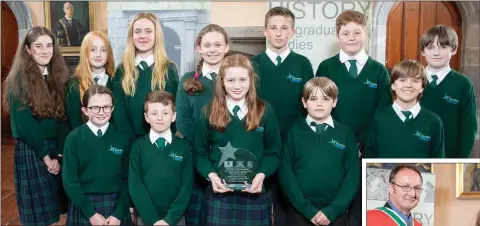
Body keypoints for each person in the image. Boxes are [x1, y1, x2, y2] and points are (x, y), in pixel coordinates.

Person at [315, 10, 392, 226]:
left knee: (360, 205)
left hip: (367, 148)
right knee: (334, 202)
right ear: (338, 36)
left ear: (366, 34)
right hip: (333, 145)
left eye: (357, 32)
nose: (351, 37)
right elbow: (319, 107)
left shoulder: (378, 71)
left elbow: (383, 113)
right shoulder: (326, 67)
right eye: (346, 33)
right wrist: (342, 140)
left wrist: (363, 142)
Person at [194, 54, 282, 226]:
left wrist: (261, 175)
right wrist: (211, 175)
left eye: (242, 79)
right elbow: (199, 152)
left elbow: (274, 152)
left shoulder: (265, 111)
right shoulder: (208, 112)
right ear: (222, 82)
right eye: (231, 80)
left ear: (251, 80)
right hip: (218, 193)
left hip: (253, 192)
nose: (237, 86)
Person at [251, 7, 314, 224]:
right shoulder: (253, 65)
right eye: (273, 28)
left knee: (289, 204)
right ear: (265, 32)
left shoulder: (303, 64)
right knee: (260, 202)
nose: (278, 33)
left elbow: (309, 106)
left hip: (292, 144)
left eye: (284, 28)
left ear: (293, 32)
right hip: (260, 145)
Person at [2, 26, 69, 225]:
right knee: (38, 218)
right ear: (28, 50)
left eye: (49, 45)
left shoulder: (60, 77)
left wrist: (58, 154)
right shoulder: (17, 81)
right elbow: (25, 126)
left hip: (55, 150)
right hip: (33, 151)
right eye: (38, 46)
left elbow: (63, 119)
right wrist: (47, 159)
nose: (45, 50)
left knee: (56, 213)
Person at [279, 77, 359, 226]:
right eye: (313, 98)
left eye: (326, 99)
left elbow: (352, 176)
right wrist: (307, 209)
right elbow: (286, 174)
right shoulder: (294, 132)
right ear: (304, 102)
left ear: (334, 102)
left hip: (335, 214)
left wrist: (333, 210)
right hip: (300, 212)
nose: (319, 104)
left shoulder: (345, 133)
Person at [175, 24, 230, 226]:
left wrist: (220, 145)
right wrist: (203, 146)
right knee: (196, 216)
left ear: (227, 47)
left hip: (227, 153)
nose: (212, 49)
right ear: (199, 47)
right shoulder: (188, 80)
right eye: (207, 44)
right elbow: (183, 119)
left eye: (218, 44)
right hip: (196, 156)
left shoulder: (234, 80)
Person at [62, 85, 132, 226]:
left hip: (116, 205)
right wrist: (90, 214)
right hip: (85, 204)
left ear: (112, 109)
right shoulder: (73, 138)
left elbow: (128, 179)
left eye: (106, 107)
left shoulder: (122, 137)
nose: (101, 112)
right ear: (85, 110)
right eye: (95, 107)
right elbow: (70, 181)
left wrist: (119, 214)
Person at [129, 91, 193, 226]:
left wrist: (169, 219)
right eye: (154, 113)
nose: (160, 118)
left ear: (174, 116)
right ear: (146, 117)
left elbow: (186, 187)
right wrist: (153, 220)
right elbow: (135, 186)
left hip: (176, 218)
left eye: (165, 113)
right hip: (146, 218)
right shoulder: (138, 147)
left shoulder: (184, 147)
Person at [112, 12, 179, 141]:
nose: (143, 36)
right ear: (131, 36)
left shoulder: (169, 69)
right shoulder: (121, 71)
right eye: (137, 31)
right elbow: (119, 113)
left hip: (160, 141)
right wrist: (132, 143)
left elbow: (175, 108)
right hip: (129, 143)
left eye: (148, 31)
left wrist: (161, 138)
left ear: (156, 35)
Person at [364, 60, 445, 158]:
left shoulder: (434, 122)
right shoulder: (378, 120)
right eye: (402, 80)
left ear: (422, 87)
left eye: (415, 81)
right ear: (393, 85)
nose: (408, 85)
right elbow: (369, 159)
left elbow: (438, 160)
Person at [420, 25, 478, 158]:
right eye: (430, 47)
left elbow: (468, 128)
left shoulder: (463, 84)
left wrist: (461, 160)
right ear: (423, 51)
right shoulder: (411, 79)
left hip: (448, 155)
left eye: (443, 47)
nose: (436, 53)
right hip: (414, 152)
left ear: (454, 49)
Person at [65, 31, 115, 129]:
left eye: (103, 50)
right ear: (85, 53)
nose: (98, 54)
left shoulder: (115, 82)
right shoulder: (74, 84)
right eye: (93, 50)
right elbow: (73, 121)